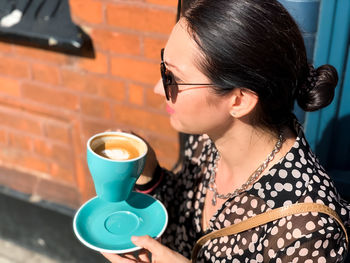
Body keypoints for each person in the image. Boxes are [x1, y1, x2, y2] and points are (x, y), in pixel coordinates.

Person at [102, 0, 350, 262]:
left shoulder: (308, 230)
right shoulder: (209, 137)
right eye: (163, 69)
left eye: (173, 78)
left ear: (239, 100)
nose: (157, 88)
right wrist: (152, 177)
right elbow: (185, 218)